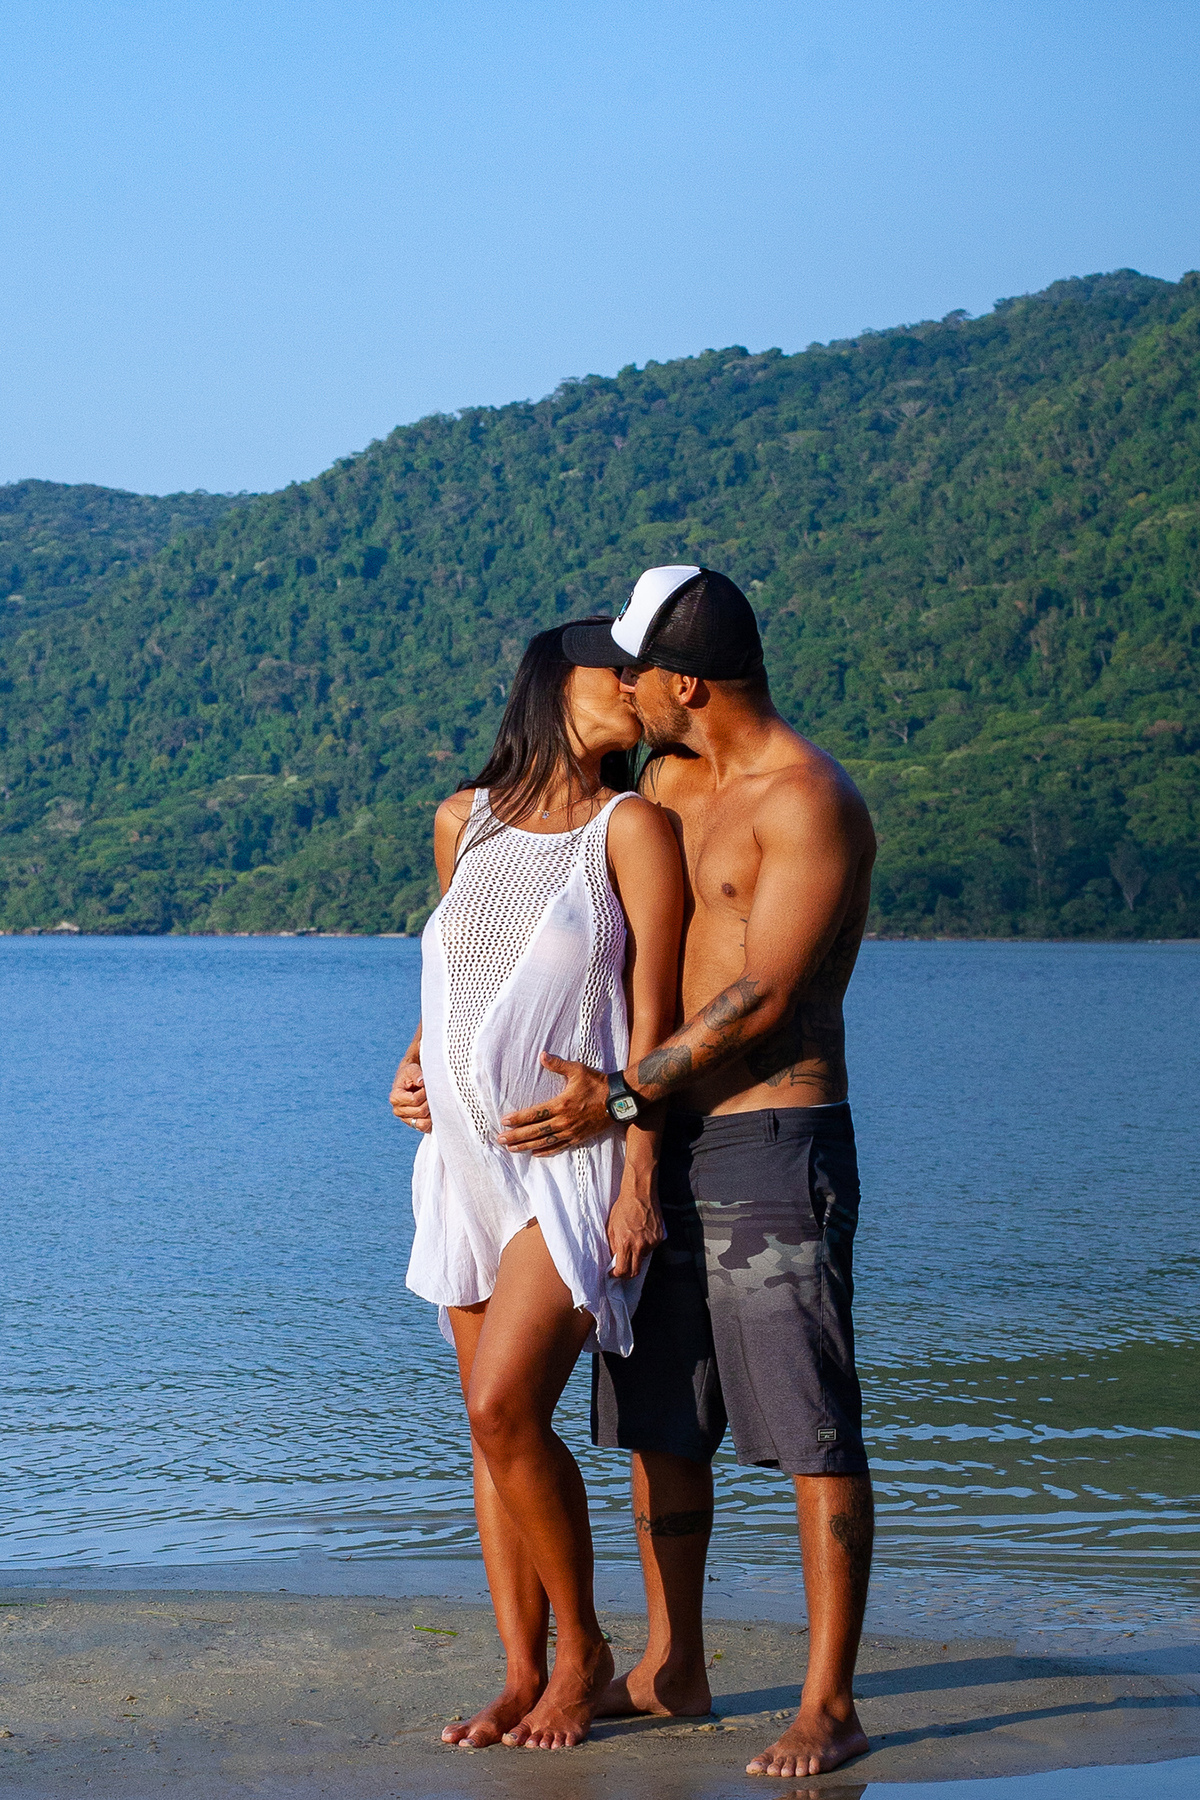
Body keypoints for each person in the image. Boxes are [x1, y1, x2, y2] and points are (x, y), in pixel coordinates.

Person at [498, 567, 877, 1779]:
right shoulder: (661, 785)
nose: (620, 684)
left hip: (773, 1138)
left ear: (684, 682)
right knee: (662, 1420)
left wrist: (614, 1096)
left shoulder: (808, 800)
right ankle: (673, 1666)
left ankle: (829, 1703)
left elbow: (762, 995)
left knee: (811, 1426)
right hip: (659, 1146)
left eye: (633, 666)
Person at [388, 621, 683, 1752]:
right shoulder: (465, 820)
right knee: (489, 1436)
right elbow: (467, 961)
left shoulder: (633, 827)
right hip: (459, 1163)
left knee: (503, 1407)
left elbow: (650, 1021)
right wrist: (416, 1054)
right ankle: (519, 1671)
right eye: (623, 672)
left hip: (571, 1162)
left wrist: (640, 1169)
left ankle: (587, 1653)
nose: (641, 690)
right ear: (561, 684)